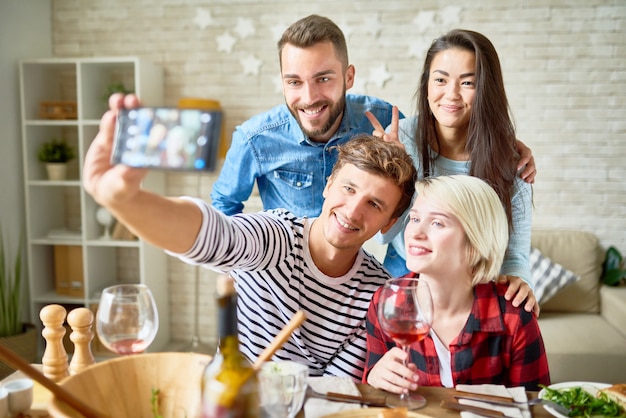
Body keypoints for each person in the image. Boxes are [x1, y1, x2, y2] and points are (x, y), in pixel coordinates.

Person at [82, 93, 418, 382]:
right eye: (348, 188)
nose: (353, 210)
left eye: (374, 204)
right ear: (328, 185)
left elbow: (337, 386)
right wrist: (126, 200)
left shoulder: (378, 292)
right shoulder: (278, 237)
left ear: (389, 222)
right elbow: (209, 235)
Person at [210, 14, 531, 218]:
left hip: (364, 285)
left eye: (323, 79)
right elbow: (223, 208)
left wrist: (506, 144)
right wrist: (245, 268)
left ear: (349, 77)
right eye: (294, 82)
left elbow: (446, 130)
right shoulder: (255, 139)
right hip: (289, 281)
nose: (308, 98)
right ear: (282, 81)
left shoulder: (382, 121)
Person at [367, 29, 535, 312]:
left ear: (486, 88)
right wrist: (394, 172)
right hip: (405, 277)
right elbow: (383, 234)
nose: (451, 94)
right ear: (427, 84)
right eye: (441, 80)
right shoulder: (401, 139)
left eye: (468, 82)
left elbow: (514, 253)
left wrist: (519, 281)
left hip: (474, 287)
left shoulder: (510, 159)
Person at [364, 175, 550, 392]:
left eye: (437, 223)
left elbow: (536, 407)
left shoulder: (515, 318)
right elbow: (374, 398)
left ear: (475, 243)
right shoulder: (386, 303)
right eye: (414, 219)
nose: (415, 233)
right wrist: (373, 377)